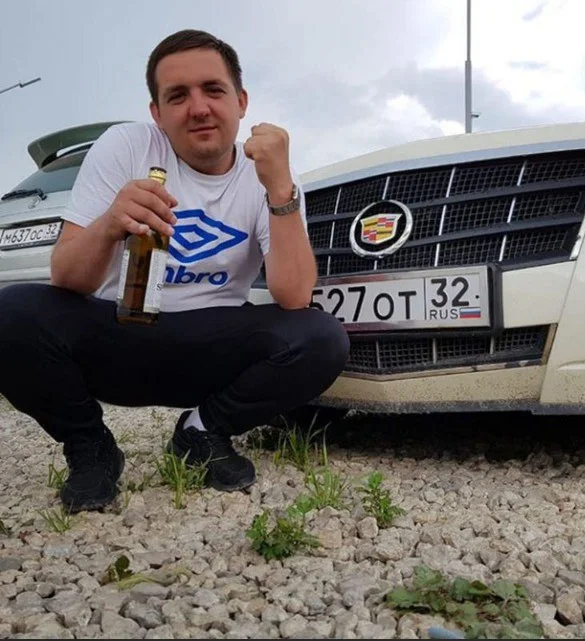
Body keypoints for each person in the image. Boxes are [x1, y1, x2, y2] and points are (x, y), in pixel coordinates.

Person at [0, 29, 350, 513]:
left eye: (213, 90)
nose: (198, 108)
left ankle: (202, 432)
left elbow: (294, 297)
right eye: (178, 96)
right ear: (157, 113)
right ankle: (90, 446)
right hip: (119, 334)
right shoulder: (126, 147)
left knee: (321, 337)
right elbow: (67, 279)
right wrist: (109, 225)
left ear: (241, 102)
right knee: (11, 311)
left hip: (211, 347)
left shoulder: (268, 176)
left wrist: (279, 191)